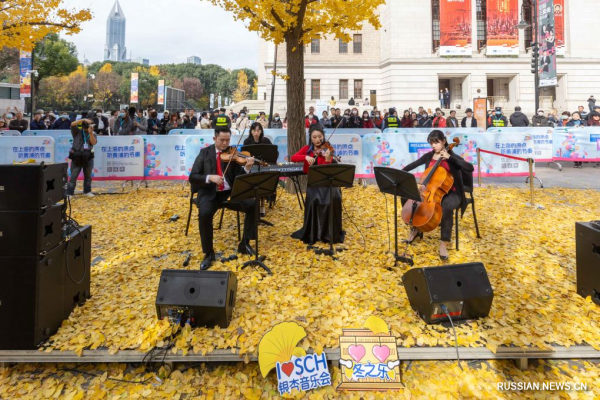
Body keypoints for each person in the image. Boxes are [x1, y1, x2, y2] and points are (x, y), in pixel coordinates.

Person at [189, 128, 257, 270]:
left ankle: (245, 244)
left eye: (228, 140)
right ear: (214, 139)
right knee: (205, 214)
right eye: (222, 140)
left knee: (252, 204)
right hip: (209, 193)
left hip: (229, 193)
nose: (225, 143)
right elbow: (193, 177)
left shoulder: (232, 154)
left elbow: (239, 177)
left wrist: (247, 168)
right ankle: (209, 253)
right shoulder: (204, 153)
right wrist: (210, 177)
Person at [402, 130, 474, 260]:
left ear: (444, 141)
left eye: (436, 142)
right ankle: (416, 228)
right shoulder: (429, 156)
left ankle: (443, 243)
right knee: (407, 197)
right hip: (430, 191)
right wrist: (400, 174)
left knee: (446, 206)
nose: (433, 146)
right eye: (431, 143)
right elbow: (412, 165)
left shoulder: (452, 156)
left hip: (452, 192)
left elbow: (469, 168)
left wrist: (449, 158)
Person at [290, 124, 344, 245]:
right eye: (314, 137)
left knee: (334, 198)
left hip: (327, 183)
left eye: (320, 136)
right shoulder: (307, 149)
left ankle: (328, 231)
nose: (317, 139)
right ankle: (314, 231)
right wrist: (306, 157)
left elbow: (327, 170)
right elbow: (293, 157)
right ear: (311, 138)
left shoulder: (328, 149)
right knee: (314, 199)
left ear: (323, 136)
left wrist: (327, 159)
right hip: (314, 184)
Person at [66, 117, 97, 198]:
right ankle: (69, 193)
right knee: (73, 176)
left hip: (88, 156)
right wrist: (83, 120)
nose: (90, 127)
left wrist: (90, 133)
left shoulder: (93, 133)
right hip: (77, 156)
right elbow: (72, 124)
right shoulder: (77, 132)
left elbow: (93, 142)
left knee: (88, 176)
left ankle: (87, 191)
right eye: (88, 125)